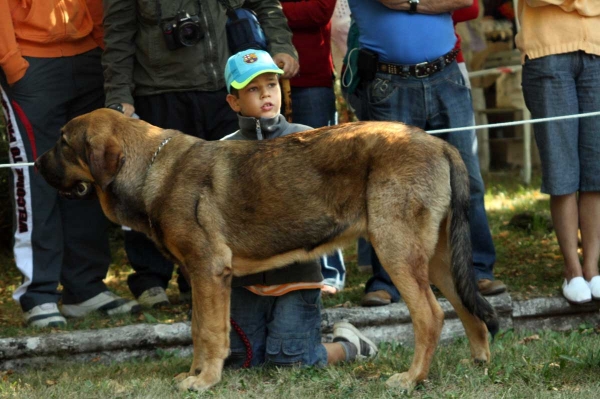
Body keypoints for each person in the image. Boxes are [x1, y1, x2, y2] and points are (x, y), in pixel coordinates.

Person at [101, 0, 300, 308]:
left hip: (221, 92)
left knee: (223, 192)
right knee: (158, 191)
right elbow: (118, 34)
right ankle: (151, 279)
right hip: (158, 92)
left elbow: (265, 4)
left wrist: (283, 45)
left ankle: (206, 277)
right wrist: (119, 96)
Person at [222, 49, 377, 367]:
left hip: (298, 275)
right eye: (253, 89)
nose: (266, 94)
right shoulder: (221, 151)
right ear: (234, 102)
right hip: (243, 281)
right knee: (241, 360)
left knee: (290, 360)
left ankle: (349, 344)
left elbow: (330, 209)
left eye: (272, 85)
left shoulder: (308, 139)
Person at [345, 0, 506, 307]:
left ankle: (476, 270)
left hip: (446, 74)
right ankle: (388, 281)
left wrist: (412, 3)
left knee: (467, 180)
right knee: (390, 191)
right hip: (388, 81)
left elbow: (464, 2)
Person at [0, 0, 140, 328]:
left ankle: (86, 288)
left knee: (87, 175)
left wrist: (101, 45)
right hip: (30, 63)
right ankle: (39, 293)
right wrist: (11, 61)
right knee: (35, 177)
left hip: (88, 56)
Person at [516, 2, 600, 303]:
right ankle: (572, 270)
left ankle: (592, 269)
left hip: (598, 51)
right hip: (546, 53)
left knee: (596, 169)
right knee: (561, 168)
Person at [280, 0, 346, 294]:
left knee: (322, 176)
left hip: (311, 79)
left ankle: (329, 269)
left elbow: (318, 10)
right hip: (257, 82)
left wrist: (267, 11)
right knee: (275, 180)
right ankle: (283, 265)